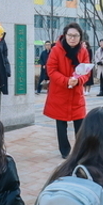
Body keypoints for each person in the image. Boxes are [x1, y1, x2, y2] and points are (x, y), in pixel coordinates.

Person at [43, 22, 90, 159]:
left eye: (76, 36)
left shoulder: (83, 51)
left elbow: (86, 71)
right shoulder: (56, 50)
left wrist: (79, 80)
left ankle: (81, 151)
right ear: (65, 35)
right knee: (61, 125)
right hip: (60, 93)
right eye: (70, 35)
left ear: (80, 37)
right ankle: (64, 151)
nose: (72, 38)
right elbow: (51, 70)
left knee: (80, 125)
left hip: (76, 94)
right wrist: (66, 81)